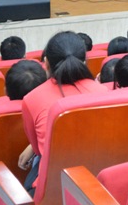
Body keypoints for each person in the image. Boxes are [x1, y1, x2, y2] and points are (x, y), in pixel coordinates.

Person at [21, 31, 104, 195]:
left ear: (46, 62)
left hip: (52, 190)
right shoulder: (103, 91)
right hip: (97, 182)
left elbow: (38, 149)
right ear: (84, 62)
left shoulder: (31, 99)